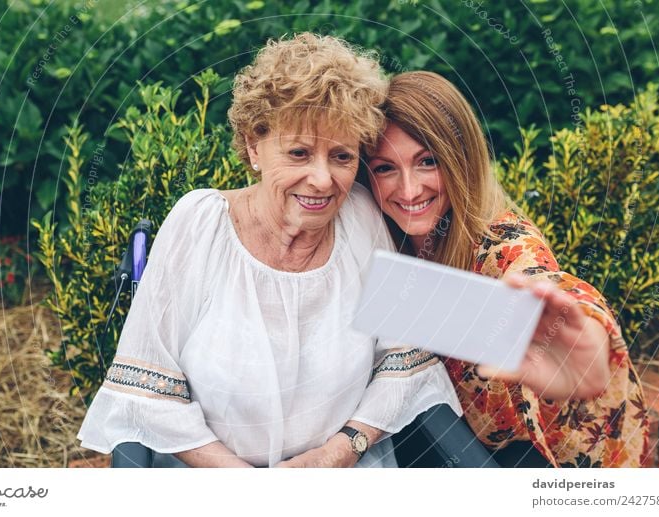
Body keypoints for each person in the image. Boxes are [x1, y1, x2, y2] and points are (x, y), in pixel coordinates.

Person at [77, 35, 461, 468]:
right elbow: (147, 390)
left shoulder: (359, 217)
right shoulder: (201, 224)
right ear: (254, 145)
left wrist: (340, 451)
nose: (321, 179)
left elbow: (402, 360)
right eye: (299, 152)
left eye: (341, 156)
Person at [362, 71, 649, 467]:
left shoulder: (501, 243)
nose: (409, 190)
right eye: (384, 168)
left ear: (460, 160)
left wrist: (585, 345)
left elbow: (541, 281)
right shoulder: (377, 237)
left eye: (427, 161)